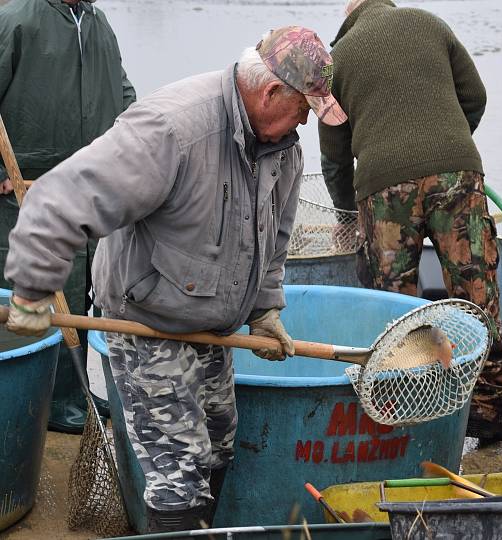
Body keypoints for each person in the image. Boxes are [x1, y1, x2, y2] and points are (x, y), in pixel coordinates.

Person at [3, 26, 346, 531]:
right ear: (271, 92)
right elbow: (58, 202)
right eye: (302, 110)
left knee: (221, 440)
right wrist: (33, 291)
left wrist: (266, 310)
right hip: (145, 320)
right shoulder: (171, 129)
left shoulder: (282, 149)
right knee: (179, 473)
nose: (303, 124)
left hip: (210, 323)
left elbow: (275, 238)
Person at [318, 0, 502, 443]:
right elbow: (475, 97)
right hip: (457, 173)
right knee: (476, 288)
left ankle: (407, 405)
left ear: (350, 13)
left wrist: (348, 214)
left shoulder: (338, 60)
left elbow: (334, 158)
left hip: (383, 189)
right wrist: (448, 148)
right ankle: (490, 410)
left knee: (393, 303)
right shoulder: (431, 23)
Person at [0, 0, 136, 433]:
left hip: (87, 182)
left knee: (82, 286)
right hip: (26, 186)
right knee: (30, 289)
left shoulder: (99, 24)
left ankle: (71, 391)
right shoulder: (16, 19)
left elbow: (124, 92)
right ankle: (36, 398)